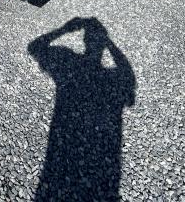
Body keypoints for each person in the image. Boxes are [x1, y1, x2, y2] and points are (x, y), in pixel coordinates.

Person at [28, 17, 136, 202]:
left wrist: (63, 30)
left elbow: (35, 47)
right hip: (105, 156)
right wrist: (109, 43)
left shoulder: (68, 61)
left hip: (61, 143)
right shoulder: (112, 77)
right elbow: (127, 76)